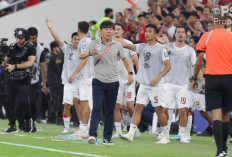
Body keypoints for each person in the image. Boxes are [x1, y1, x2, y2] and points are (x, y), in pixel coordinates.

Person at [114, 24, 171, 144]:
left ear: (156, 35)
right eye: (146, 31)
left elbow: (168, 66)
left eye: (150, 31)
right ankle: (131, 134)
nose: (147, 33)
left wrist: (158, 77)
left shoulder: (161, 48)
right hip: (144, 85)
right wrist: (108, 36)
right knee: (138, 108)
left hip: (156, 85)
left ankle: (166, 136)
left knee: (159, 110)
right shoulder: (141, 47)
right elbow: (124, 44)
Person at [79, 20, 133, 145]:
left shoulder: (117, 44)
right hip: (98, 81)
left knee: (110, 110)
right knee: (97, 107)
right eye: (106, 29)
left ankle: (107, 138)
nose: (109, 31)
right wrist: (89, 53)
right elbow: (81, 56)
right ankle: (92, 134)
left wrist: (130, 73)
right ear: (100, 31)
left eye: (111, 29)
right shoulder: (94, 43)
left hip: (113, 82)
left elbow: (125, 60)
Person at [192, 12, 232, 157]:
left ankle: (220, 151)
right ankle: (225, 148)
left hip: (212, 78)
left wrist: (195, 77)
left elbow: (198, 62)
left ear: (214, 22)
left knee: (216, 116)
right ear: (226, 22)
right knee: (225, 116)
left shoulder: (206, 36)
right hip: (229, 78)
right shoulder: (231, 36)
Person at [160, 25, 196, 143]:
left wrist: (196, 78)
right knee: (163, 109)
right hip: (168, 84)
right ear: (175, 35)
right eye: (178, 32)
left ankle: (183, 135)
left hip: (182, 86)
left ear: (186, 35)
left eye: (182, 32)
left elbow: (195, 66)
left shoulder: (190, 51)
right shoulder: (167, 47)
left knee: (183, 110)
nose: (180, 34)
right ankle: (165, 132)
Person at [45, 19, 82, 132]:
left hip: (80, 82)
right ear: (72, 40)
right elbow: (57, 39)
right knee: (67, 104)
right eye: (75, 39)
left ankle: (82, 126)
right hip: (68, 83)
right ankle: (66, 127)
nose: (76, 41)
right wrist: (50, 28)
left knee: (80, 104)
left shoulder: (85, 50)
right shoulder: (67, 49)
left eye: (78, 39)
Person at [15, 27, 48, 132]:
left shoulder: (40, 50)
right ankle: (21, 125)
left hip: (34, 80)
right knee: (19, 103)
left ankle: (31, 123)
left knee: (32, 104)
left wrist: (44, 84)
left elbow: (43, 69)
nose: (31, 41)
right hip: (20, 79)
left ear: (37, 37)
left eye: (33, 39)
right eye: (30, 39)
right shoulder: (19, 46)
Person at [3, 28, 36, 132]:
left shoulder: (31, 47)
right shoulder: (12, 47)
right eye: (17, 37)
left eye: (21, 38)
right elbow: (6, 61)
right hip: (11, 78)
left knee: (24, 102)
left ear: (25, 38)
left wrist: (15, 66)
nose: (18, 40)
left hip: (24, 78)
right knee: (9, 102)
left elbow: (30, 63)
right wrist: (4, 63)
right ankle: (12, 125)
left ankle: (29, 121)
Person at [112, 23, 139, 138]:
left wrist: (139, 75)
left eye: (118, 29)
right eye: (114, 29)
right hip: (115, 79)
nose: (116, 31)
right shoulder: (109, 44)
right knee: (116, 106)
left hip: (128, 78)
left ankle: (134, 128)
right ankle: (119, 132)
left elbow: (136, 59)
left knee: (130, 106)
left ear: (123, 31)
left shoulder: (128, 43)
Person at [70, 21, 93, 137]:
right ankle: (82, 127)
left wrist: (74, 74)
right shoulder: (87, 41)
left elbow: (84, 59)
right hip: (83, 77)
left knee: (84, 102)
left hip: (85, 76)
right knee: (77, 101)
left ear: (78, 30)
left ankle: (84, 128)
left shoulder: (84, 42)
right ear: (88, 30)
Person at [46, 41, 63, 124]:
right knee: (56, 100)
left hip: (52, 81)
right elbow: (58, 71)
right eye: (58, 47)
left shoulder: (49, 56)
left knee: (53, 99)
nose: (59, 49)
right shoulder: (54, 57)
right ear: (54, 48)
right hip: (55, 81)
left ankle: (51, 117)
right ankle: (51, 117)